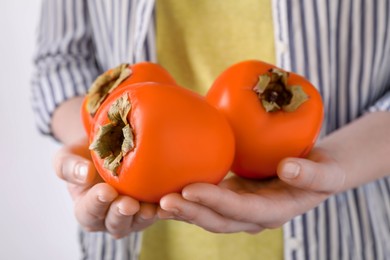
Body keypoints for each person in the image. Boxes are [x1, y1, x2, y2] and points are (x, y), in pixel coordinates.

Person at [31, 0, 390, 259]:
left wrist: (340, 163)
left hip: (341, 235)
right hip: (135, 243)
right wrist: (89, 145)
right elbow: (60, 65)